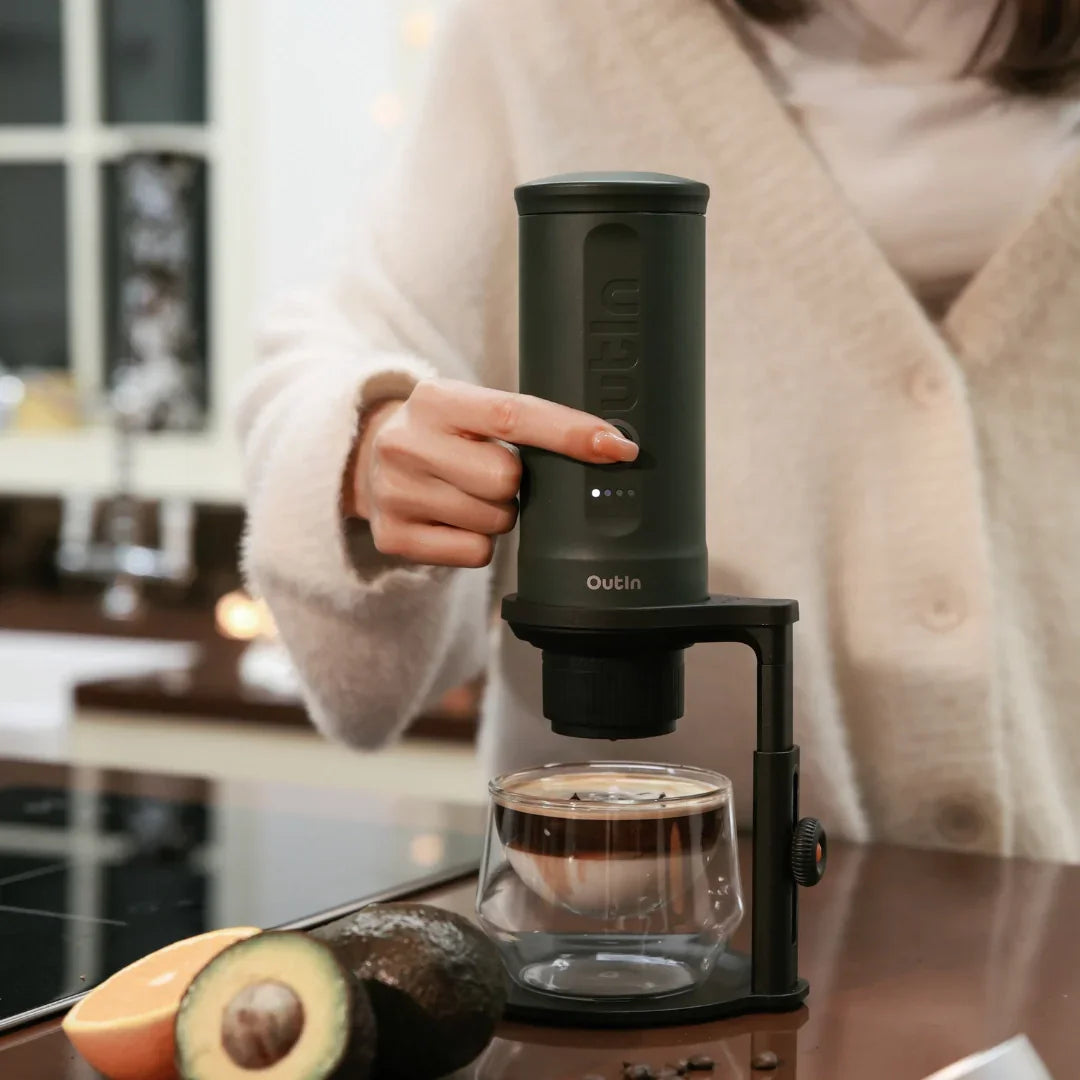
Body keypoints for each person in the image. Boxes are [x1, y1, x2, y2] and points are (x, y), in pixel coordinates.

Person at [239, 0, 1080, 861]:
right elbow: (341, 346)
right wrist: (371, 444)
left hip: (1053, 886)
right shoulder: (550, 27)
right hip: (641, 883)